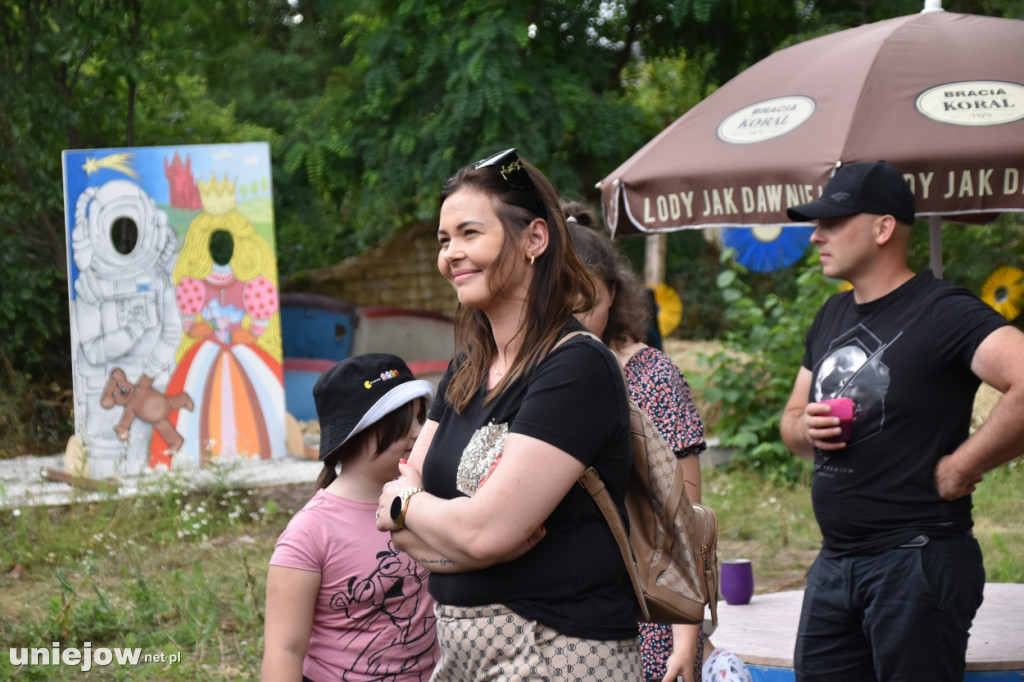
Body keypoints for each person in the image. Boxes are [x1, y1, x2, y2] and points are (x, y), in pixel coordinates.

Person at [374, 148, 642, 680]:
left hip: (553, 650)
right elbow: (396, 523)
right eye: (444, 240)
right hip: (462, 650)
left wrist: (415, 506)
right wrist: (452, 531)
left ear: (534, 240)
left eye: (470, 233)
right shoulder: (466, 369)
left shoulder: (575, 366)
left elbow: (478, 530)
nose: (451, 253)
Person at [779, 160, 1024, 682]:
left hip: (915, 561)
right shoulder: (831, 315)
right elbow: (791, 422)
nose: (816, 235)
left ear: (883, 227)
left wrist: (963, 465)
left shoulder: (943, 310)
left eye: (832, 222)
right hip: (834, 564)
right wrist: (807, 429)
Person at [565, 202, 707, 682]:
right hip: (559, 611)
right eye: (561, 300)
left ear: (613, 293)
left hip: (644, 613)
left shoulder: (651, 376)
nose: (575, 315)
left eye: (588, 300)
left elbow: (684, 515)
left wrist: (686, 640)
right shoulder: (532, 378)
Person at [262, 353, 439, 682]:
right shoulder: (310, 531)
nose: (419, 433)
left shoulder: (428, 501)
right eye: (405, 421)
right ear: (359, 431)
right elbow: (283, 650)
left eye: (421, 419)